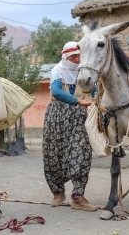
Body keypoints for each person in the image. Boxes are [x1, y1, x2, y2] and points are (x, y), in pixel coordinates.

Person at [42, 41, 97, 212]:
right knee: (53, 155)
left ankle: (78, 197)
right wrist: (78, 100)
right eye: (72, 56)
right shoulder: (57, 71)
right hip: (56, 117)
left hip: (79, 118)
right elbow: (57, 92)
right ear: (65, 56)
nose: (76, 60)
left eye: (78, 56)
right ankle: (58, 192)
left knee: (81, 153)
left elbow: (94, 90)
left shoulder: (84, 72)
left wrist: (96, 99)